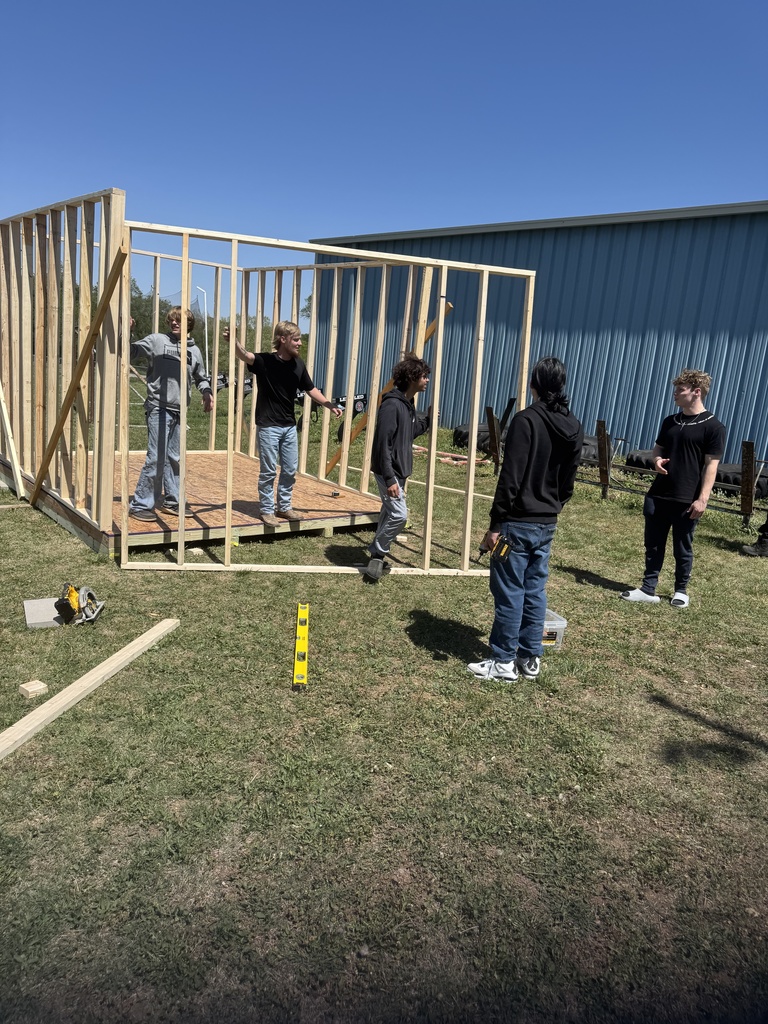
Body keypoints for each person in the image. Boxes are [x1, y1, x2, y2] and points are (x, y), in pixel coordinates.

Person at [467, 357, 583, 682]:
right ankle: (530, 658)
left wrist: (495, 525)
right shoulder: (574, 426)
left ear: (534, 385)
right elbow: (569, 481)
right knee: (534, 590)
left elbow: (510, 477)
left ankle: (503, 662)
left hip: (516, 524)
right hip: (547, 523)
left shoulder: (525, 421)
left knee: (509, 591)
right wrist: (555, 505)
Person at [621, 369, 726, 607]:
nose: (675, 394)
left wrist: (703, 499)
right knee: (653, 544)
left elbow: (711, 466)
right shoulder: (671, 421)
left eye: (680, 390)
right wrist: (657, 460)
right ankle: (648, 589)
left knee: (682, 547)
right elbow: (658, 448)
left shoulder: (713, 427)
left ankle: (681, 591)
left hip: (687, 498)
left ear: (696, 392)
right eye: (675, 389)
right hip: (659, 494)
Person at [234, 321, 341, 525]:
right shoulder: (265, 361)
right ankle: (266, 510)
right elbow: (244, 355)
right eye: (296, 339)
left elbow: (311, 389)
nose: (300, 343)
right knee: (268, 471)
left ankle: (284, 507)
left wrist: (329, 404)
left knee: (290, 469)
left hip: (289, 426)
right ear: (283, 339)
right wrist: (234, 341)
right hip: (268, 426)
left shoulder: (298, 364)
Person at [128, 307, 213, 522]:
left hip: (179, 411)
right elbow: (130, 352)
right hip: (158, 406)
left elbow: (200, 377)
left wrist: (207, 392)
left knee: (174, 458)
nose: (175, 323)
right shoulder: (157, 341)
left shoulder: (194, 351)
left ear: (189, 324)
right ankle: (140, 504)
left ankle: (173, 501)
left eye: (180, 320)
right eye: (172, 320)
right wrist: (126, 331)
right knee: (156, 457)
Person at [364, 354, 432, 581]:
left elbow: (408, 434)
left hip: (398, 470)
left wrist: (427, 421)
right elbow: (383, 444)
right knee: (399, 515)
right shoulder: (392, 405)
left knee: (388, 512)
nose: (427, 380)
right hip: (388, 471)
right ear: (412, 378)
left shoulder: (407, 404)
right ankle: (378, 551)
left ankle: (377, 556)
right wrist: (390, 478)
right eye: (424, 376)